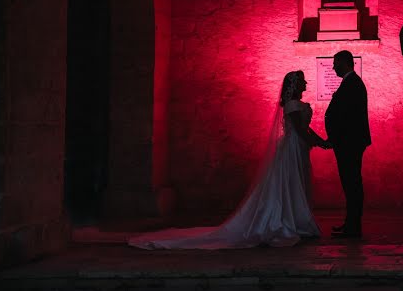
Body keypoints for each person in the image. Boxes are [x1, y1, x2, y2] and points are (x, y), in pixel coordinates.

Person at [128, 71, 331, 249]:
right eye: (303, 81)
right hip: (293, 148)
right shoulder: (293, 104)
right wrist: (319, 142)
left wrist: (317, 141)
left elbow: (303, 130)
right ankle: (290, 221)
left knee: (295, 183)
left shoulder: (294, 104)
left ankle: (296, 218)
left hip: (297, 147)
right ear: (295, 85)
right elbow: (298, 130)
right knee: (291, 183)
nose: (306, 84)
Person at [324, 50, 371, 239]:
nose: (333, 67)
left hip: (349, 143)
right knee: (350, 183)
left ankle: (353, 226)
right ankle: (350, 224)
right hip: (348, 142)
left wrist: (335, 138)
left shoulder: (353, 84)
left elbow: (347, 117)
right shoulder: (351, 83)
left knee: (352, 183)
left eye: (335, 63)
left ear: (344, 62)